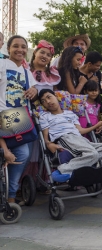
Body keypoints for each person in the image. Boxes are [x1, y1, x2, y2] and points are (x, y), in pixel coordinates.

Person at [38, 89, 102, 178]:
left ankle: (73, 165)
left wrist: (96, 125)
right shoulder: (45, 116)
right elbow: (45, 138)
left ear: (56, 97)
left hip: (80, 139)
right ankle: (64, 169)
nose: (48, 102)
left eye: (49, 97)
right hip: (65, 138)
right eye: (44, 101)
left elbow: (80, 131)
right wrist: (49, 144)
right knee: (93, 154)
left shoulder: (70, 113)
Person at [0, 35, 38, 203]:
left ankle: (10, 194)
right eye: (16, 46)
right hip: (4, 113)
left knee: (23, 154)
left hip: (20, 117)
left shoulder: (26, 70)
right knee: (16, 153)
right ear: (8, 48)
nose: (20, 49)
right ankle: (8, 196)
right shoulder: (1, 64)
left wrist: (34, 91)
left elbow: (34, 89)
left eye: (23, 46)